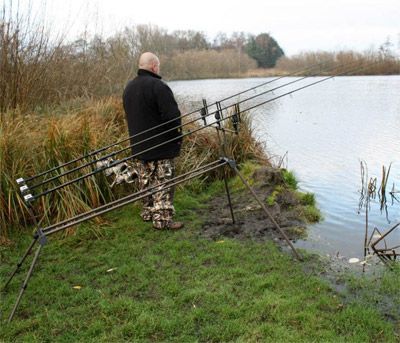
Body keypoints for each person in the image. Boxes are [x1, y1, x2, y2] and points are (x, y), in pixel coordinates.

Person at [123, 52, 184, 230]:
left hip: (139, 148)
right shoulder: (159, 87)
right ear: (153, 66)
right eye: (158, 66)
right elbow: (173, 117)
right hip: (161, 148)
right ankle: (163, 220)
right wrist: (176, 140)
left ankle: (149, 213)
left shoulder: (128, 88)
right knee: (163, 183)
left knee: (146, 182)